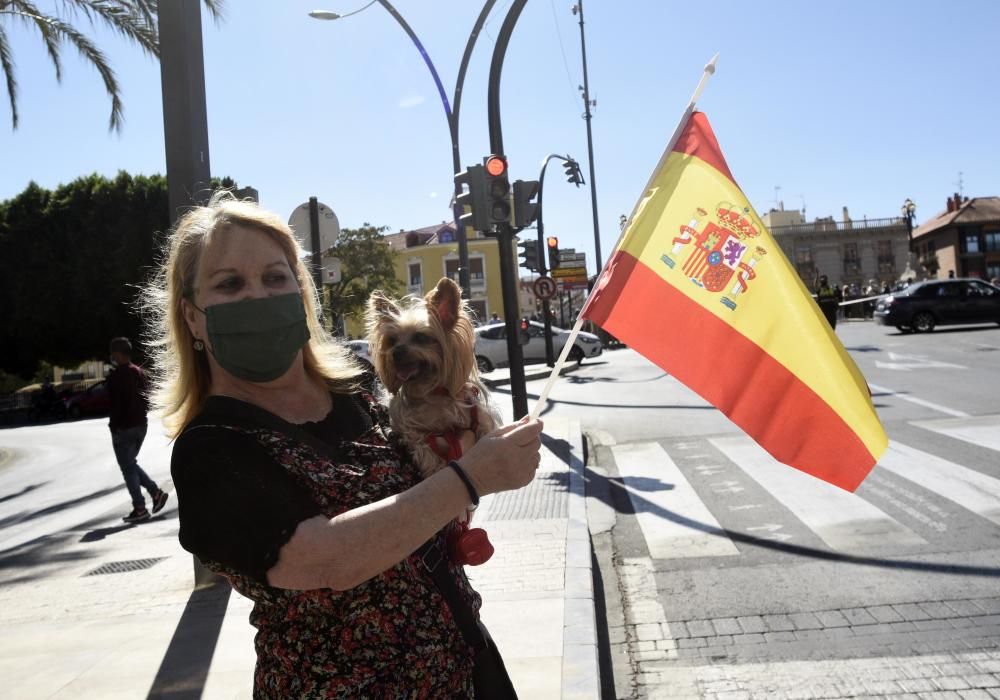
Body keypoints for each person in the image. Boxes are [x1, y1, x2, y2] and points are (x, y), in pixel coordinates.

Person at [148, 192, 542, 698]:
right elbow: (329, 561)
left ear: (301, 293)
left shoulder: (355, 393)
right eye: (230, 284)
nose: (259, 297)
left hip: (466, 669)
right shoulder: (211, 448)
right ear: (193, 317)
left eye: (275, 277)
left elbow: (424, 500)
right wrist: (471, 477)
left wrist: (471, 446)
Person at [108, 337, 168, 523]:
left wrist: (115, 427)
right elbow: (148, 398)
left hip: (123, 428)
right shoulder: (140, 372)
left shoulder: (117, 376)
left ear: (117, 354)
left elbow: (117, 405)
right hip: (141, 425)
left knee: (127, 468)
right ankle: (155, 493)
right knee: (130, 464)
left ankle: (140, 507)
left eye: (112, 353)